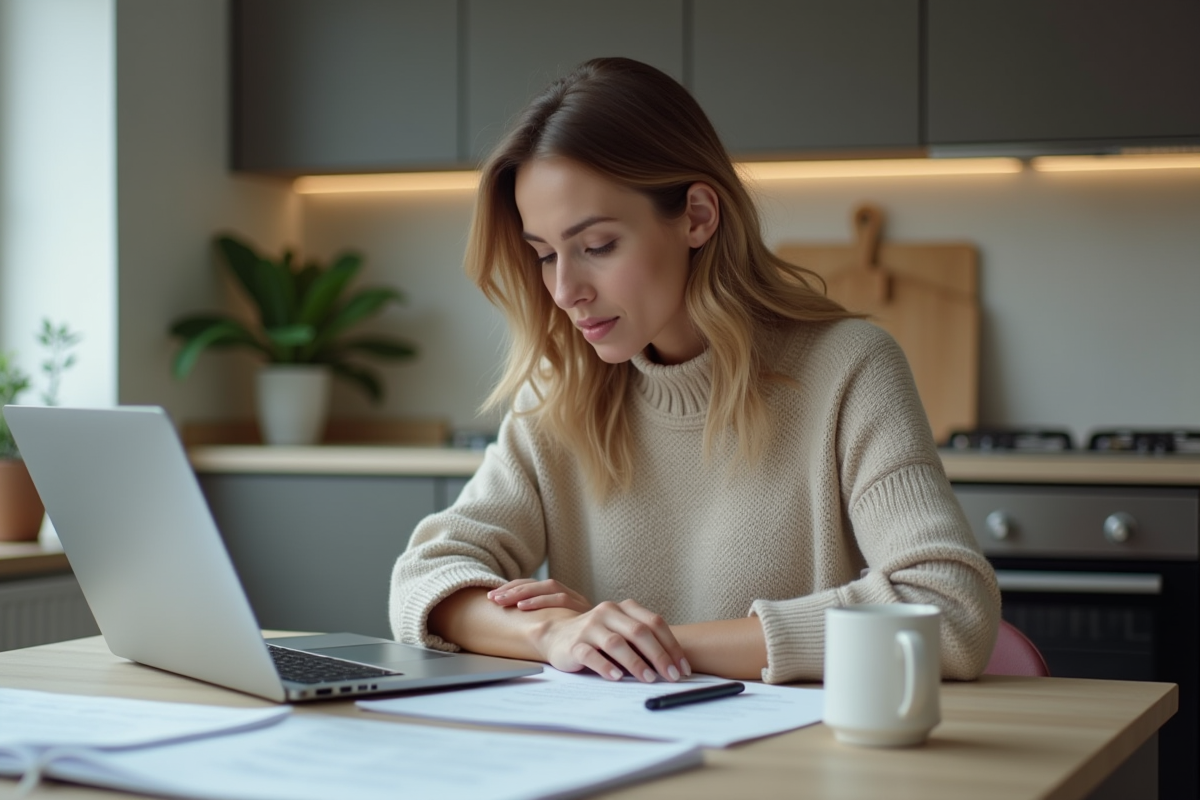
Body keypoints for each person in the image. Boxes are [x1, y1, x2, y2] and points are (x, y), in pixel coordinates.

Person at [390, 57, 1000, 685]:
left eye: (597, 246)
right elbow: (424, 579)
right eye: (544, 255)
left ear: (698, 217)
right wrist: (554, 633)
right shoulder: (559, 393)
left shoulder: (849, 368)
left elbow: (950, 611)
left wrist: (648, 646)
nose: (566, 289)